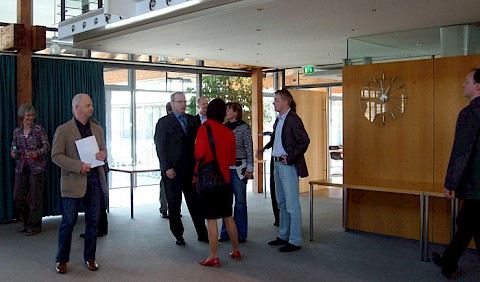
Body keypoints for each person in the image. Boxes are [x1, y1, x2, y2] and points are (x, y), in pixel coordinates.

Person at [52, 93, 108, 274]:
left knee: (93, 221)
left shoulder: (97, 129)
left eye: (91, 105)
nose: (92, 108)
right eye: (88, 105)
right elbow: (56, 156)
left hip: (94, 182)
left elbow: (104, 150)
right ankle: (62, 259)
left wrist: (103, 155)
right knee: (68, 222)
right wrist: (78, 166)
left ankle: (90, 258)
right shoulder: (64, 129)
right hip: (73, 181)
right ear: (77, 107)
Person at [433, 69, 480, 278]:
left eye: (466, 81)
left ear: (478, 85)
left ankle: (448, 262)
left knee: (470, 223)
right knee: (467, 222)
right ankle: (449, 262)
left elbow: (461, 152)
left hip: (476, 184)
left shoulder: (470, 113)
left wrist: (450, 182)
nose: (463, 85)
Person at [258, 89, 310, 252]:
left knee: (292, 204)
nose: (273, 103)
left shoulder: (293, 119)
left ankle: (294, 240)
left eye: (276, 100)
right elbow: (276, 138)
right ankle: (283, 235)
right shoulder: (279, 119)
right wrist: (265, 148)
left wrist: (291, 157)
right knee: (281, 202)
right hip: (277, 164)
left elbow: (304, 140)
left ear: (285, 102)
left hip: (287, 165)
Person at [155, 92, 208, 245]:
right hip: (173, 171)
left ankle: (202, 233)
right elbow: (160, 147)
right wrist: (167, 168)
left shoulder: (192, 120)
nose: (183, 104)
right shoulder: (164, 122)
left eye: (184, 101)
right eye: (179, 102)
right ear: (172, 104)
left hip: (191, 169)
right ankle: (178, 235)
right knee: (174, 204)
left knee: (195, 203)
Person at [195, 98, 241, 267]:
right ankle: (236, 249)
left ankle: (213, 255)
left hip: (209, 180)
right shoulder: (229, 132)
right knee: (228, 215)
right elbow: (232, 159)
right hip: (224, 178)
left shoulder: (204, 129)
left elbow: (199, 153)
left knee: (212, 218)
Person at [11, 104, 51, 236]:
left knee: (35, 198)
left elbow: (47, 146)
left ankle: (34, 226)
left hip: (37, 168)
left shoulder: (39, 129)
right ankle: (28, 221)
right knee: (17, 197)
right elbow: (14, 146)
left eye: (32, 115)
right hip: (21, 167)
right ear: (22, 116)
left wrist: (37, 153)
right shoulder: (17, 131)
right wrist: (13, 152)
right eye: (28, 115)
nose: (31, 118)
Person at [218, 102, 254, 243]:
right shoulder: (223, 127)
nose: (225, 112)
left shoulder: (244, 128)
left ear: (236, 112)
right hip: (226, 169)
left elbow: (249, 148)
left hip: (239, 169)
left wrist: (250, 168)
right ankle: (225, 232)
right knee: (226, 202)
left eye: (228, 109)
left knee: (240, 202)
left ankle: (240, 233)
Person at [156, 102, 173, 218]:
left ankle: (166, 209)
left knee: (167, 186)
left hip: (168, 161)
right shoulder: (163, 122)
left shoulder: (162, 122)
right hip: (167, 161)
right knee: (166, 185)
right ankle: (165, 208)